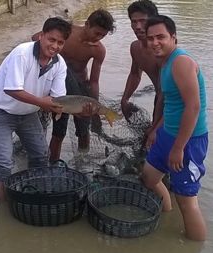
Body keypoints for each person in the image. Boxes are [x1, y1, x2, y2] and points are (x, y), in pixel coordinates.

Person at [0, 17, 72, 201]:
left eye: (60, 42)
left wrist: (83, 110)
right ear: (41, 36)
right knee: (3, 162)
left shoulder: (59, 64)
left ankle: (34, 194)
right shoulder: (21, 54)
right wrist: (43, 103)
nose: (55, 46)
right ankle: (4, 207)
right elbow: (11, 89)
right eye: (51, 39)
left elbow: (58, 101)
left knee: (41, 155)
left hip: (28, 113)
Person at [142, 15, 208, 241]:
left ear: (174, 37)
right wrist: (156, 130)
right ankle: (166, 214)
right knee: (150, 178)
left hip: (188, 140)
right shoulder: (165, 63)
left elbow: (193, 106)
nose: (155, 42)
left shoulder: (181, 61)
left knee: (187, 201)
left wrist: (179, 147)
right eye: (150, 38)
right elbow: (173, 104)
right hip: (167, 134)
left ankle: (194, 244)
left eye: (161, 37)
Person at [32, 9, 116, 162]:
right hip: (58, 89)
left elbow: (94, 81)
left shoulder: (98, 50)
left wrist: (94, 106)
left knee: (84, 129)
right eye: (96, 33)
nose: (98, 38)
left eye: (102, 36)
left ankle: (82, 161)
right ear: (87, 24)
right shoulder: (66, 33)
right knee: (59, 131)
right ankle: (53, 164)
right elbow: (36, 38)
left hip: (80, 90)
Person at [121, 0, 160, 122]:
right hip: (159, 98)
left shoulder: (162, 51)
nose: (138, 27)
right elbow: (135, 75)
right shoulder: (135, 47)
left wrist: (155, 127)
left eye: (143, 21)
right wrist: (125, 99)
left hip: (175, 102)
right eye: (134, 22)